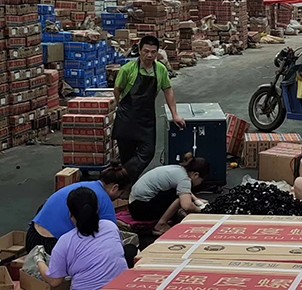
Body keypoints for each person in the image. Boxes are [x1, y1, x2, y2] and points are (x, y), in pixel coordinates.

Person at [112, 35, 186, 182]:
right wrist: (119, 106)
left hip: (146, 118)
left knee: (148, 151)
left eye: (153, 52)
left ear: (157, 52)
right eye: (146, 51)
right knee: (127, 155)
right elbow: (117, 89)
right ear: (139, 51)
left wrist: (175, 114)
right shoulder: (127, 69)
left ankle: (120, 177)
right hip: (127, 117)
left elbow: (168, 90)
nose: (149, 55)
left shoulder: (160, 70)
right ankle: (128, 187)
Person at [26, 162, 130, 254]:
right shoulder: (105, 200)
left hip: (32, 237)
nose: (119, 198)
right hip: (51, 246)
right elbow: (112, 238)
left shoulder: (83, 185)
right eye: (120, 194)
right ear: (115, 188)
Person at [35, 187, 128, 290]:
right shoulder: (111, 227)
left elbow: (54, 281)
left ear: (71, 214)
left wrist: (39, 260)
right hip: (122, 286)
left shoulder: (65, 241)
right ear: (97, 209)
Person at [129, 153, 209, 235]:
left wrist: (196, 200)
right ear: (196, 175)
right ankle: (161, 224)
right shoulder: (185, 179)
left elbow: (185, 191)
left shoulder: (179, 170)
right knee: (179, 198)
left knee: (180, 194)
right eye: (201, 180)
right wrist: (201, 210)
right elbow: (187, 206)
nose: (200, 183)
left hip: (134, 205)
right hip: (140, 211)